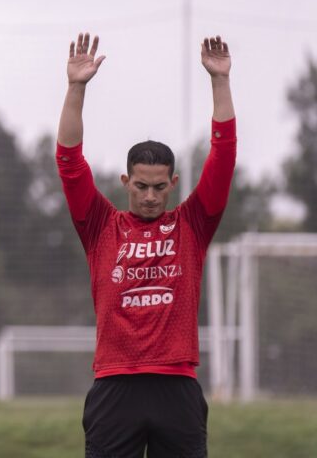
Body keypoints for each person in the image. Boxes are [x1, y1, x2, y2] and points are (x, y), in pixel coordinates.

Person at [56, 33, 236, 457]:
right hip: (115, 385)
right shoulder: (101, 225)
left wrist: (220, 82)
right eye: (141, 186)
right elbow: (68, 160)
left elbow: (223, 155)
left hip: (178, 387)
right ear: (126, 183)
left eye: (159, 187)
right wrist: (75, 88)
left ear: (173, 184)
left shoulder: (193, 223)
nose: (151, 196)